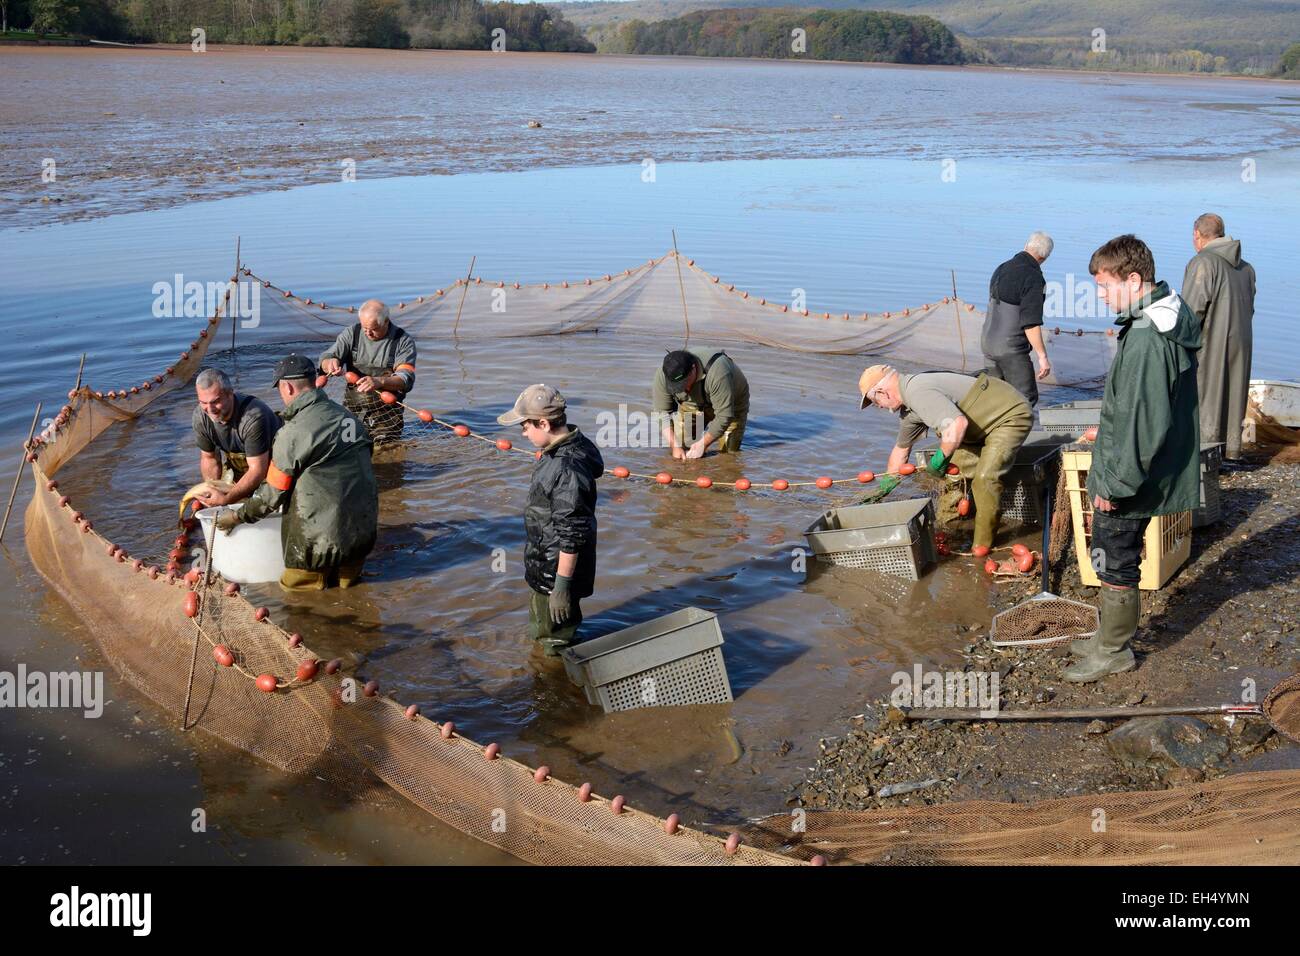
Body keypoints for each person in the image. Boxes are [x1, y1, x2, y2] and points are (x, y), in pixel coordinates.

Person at [1069, 235, 1201, 683]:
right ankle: (1109, 633)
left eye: (1105, 286)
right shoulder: (1162, 316)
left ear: (1133, 278)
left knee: (1112, 556)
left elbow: (1142, 422)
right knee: (1112, 554)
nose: (1102, 296)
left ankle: (1114, 651)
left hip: (1131, 477)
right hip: (1142, 465)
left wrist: (1114, 484)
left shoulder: (1147, 336)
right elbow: (1136, 409)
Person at [216, 354, 378, 591]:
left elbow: (271, 494)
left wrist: (239, 516)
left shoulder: (292, 433)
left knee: (297, 600)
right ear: (313, 381)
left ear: (288, 387)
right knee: (350, 592)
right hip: (361, 539)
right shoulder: (349, 419)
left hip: (316, 545)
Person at [858, 365, 1032, 556]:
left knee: (985, 479)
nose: (879, 407)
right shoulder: (909, 410)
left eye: (875, 402)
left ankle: (981, 546)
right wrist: (884, 488)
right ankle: (951, 534)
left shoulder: (917, 391)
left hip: (1008, 416)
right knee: (952, 479)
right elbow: (901, 451)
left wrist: (939, 460)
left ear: (882, 392)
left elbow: (957, 424)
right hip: (975, 430)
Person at [497, 384, 604, 656]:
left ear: (543, 423)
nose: (523, 433)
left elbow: (571, 533)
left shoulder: (566, 468)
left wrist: (561, 588)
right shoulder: (566, 447)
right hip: (545, 563)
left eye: (525, 426)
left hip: (556, 571)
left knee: (555, 642)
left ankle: (554, 685)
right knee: (546, 631)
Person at [1182, 213, 1256, 461]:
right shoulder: (1246, 268)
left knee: (1205, 397)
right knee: (1233, 395)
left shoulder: (1202, 263)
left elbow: (1191, 313)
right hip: (1242, 343)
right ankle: (1231, 452)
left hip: (1212, 343)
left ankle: (1206, 456)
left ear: (1197, 236)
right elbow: (1251, 310)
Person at [319, 299, 417, 444]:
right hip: (353, 407)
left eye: (373, 329)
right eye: (365, 328)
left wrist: (379, 381)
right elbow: (326, 358)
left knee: (384, 450)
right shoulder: (352, 333)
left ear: (386, 322)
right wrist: (330, 363)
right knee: (348, 445)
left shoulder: (403, 341)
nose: (368, 333)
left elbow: (405, 378)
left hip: (387, 411)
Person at [981, 231, 1054, 406]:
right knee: (1025, 399)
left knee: (994, 398)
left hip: (987, 343)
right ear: (1045, 257)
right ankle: (1011, 433)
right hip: (1010, 349)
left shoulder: (1001, 268)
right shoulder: (1034, 278)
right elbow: (1031, 323)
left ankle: (987, 432)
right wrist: (1042, 357)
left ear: (1026, 246)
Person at [190, 368, 280, 508]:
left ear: (230, 394)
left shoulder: (253, 417)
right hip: (240, 464)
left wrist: (226, 500)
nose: (210, 409)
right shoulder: (201, 417)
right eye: (203, 402)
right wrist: (211, 493)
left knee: (258, 502)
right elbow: (209, 458)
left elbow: (258, 470)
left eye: (215, 401)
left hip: (271, 463)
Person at [653, 348, 750, 459]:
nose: (685, 389)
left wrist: (703, 444)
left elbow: (724, 416)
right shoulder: (665, 374)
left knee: (728, 456)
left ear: (693, 369)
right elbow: (661, 413)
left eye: (684, 383)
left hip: (732, 406)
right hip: (693, 406)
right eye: (677, 387)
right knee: (684, 446)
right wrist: (675, 446)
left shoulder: (718, 372)